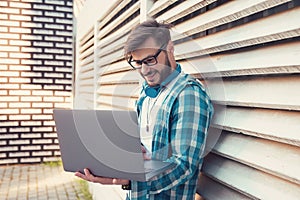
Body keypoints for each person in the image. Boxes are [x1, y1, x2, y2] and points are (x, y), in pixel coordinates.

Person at [75, 19, 214, 200]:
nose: (144, 70)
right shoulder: (145, 94)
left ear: (170, 48)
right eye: (138, 62)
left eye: (150, 60)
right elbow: (147, 147)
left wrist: (128, 180)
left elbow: (183, 166)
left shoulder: (188, 95)